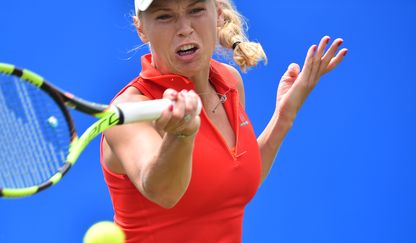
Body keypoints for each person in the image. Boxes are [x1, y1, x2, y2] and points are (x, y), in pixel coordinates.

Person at [101, 0, 348, 242]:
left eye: (196, 9)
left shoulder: (229, 81)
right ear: (141, 28)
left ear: (218, 14)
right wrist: (181, 136)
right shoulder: (127, 112)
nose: (184, 27)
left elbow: (228, 182)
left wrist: (283, 117)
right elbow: (164, 193)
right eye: (165, 16)